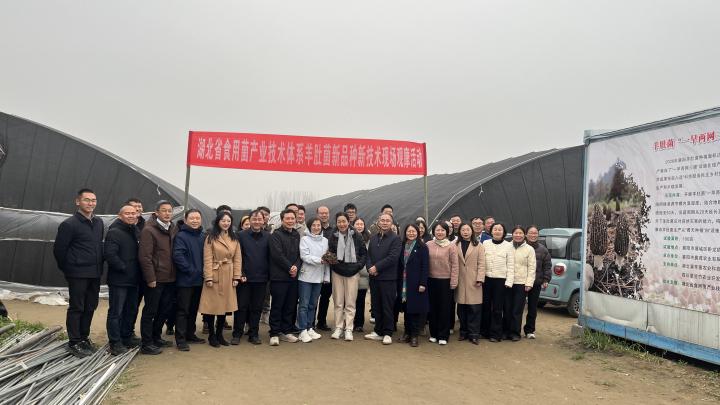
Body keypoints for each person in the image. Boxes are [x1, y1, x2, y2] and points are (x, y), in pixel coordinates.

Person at [54, 189, 104, 358]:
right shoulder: (69, 224)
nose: (91, 203)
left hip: (94, 272)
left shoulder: (98, 223)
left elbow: (98, 246)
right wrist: (69, 269)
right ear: (78, 202)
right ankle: (74, 342)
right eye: (87, 200)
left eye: (93, 200)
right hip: (77, 273)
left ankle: (83, 338)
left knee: (90, 306)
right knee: (77, 307)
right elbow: (59, 250)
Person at [138, 200, 178, 355]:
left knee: (164, 310)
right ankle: (146, 343)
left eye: (170, 211)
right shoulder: (149, 230)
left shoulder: (173, 228)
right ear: (156, 212)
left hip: (170, 278)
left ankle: (156, 337)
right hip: (156, 278)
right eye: (164, 210)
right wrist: (150, 278)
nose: (167, 213)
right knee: (150, 311)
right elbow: (145, 257)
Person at [199, 212, 242, 347]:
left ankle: (219, 335)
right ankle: (211, 335)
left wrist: (236, 276)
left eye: (228, 221)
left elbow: (237, 259)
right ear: (218, 222)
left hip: (229, 275)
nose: (226, 223)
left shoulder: (234, 238)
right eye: (223, 220)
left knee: (224, 306)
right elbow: (207, 259)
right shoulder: (211, 237)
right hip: (215, 274)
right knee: (212, 307)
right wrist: (208, 277)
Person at [104, 204, 142, 356]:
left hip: (134, 279)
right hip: (119, 280)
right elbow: (110, 255)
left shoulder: (135, 230)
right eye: (128, 213)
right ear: (120, 215)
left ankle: (126, 337)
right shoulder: (114, 232)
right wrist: (124, 268)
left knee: (131, 310)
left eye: (134, 213)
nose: (131, 216)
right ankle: (115, 342)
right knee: (116, 312)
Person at [327, 212, 367, 341]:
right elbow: (330, 253)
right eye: (339, 221)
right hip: (337, 272)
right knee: (338, 302)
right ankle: (339, 327)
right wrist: (334, 265)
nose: (342, 224)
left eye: (344, 221)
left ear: (348, 222)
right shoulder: (332, 235)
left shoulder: (357, 235)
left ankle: (349, 328)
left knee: (350, 302)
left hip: (353, 272)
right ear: (336, 223)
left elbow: (364, 254)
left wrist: (358, 266)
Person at [172, 209, 207, 351]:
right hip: (185, 280)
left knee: (193, 309)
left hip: (199, 280)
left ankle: (190, 334)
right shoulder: (181, 236)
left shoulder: (203, 236)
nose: (195, 221)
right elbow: (178, 256)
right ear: (186, 220)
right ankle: (180, 339)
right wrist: (190, 270)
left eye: (197, 218)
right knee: (183, 310)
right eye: (192, 218)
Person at [234, 210, 271, 345]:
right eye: (254, 219)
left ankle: (253, 334)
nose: (257, 222)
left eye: (259, 219)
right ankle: (237, 333)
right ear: (249, 221)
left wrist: (269, 275)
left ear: (263, 221)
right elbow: (237, 257)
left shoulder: (268, 236)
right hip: (244, 279)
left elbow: (270, 257)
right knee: (241, 307)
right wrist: (241, 273)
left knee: (256, 308)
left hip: (261, 278)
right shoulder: (240, 235)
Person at [365, 213, 401, 345]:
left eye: (387, 221)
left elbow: (393, 257)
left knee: (387, 306)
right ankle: (378, 331)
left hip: (388, 279)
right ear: (378, 222)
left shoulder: (395, 239)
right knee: (376, 306)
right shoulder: (374, 238)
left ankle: (387, 333)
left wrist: (376, 268)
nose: (385, 222)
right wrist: (370, 267)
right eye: (382, 220)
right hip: (374, 278)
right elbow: (368, 255)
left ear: (391, 223)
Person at [268, 209, 302, 346]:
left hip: (293, 277)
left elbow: (300, 254)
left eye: (292, 218)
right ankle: (274, 333)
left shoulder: (296, 235)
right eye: (287, 218)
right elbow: (277, 255)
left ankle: (286, 331)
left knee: (290, 305)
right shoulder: (276, 235)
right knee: (277, 305)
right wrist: (290, 267)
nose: (290, 221)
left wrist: (296, 267)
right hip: (279, 277)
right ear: (282, 220)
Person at [426, 222, 459, 345]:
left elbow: (455, 265)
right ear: (433, 231)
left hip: (446, 281)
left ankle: (443, 335)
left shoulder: (451, 246)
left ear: (447, 232)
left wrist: (454, 281)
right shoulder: (428, 244)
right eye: (437, 230)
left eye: (442, 230)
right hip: (431, 280)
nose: (440, 232)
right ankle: (433, 333)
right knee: (432, 308)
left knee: (444, 308)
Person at [297, 217, 329, 343]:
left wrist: (326, 277)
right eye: (314, 225)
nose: (316, 227)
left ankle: (310, 327)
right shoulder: (304, 239)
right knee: (304, 305)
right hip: (306, 277)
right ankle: (302, 330)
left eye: (318, 225)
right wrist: (319, 260)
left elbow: (327, 260)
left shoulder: (325, 241)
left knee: (313, 304)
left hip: (319, 278)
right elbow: (304, 256)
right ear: (310, 227)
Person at [397, 224, 429, 347]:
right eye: (409, 231)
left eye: (413, 231)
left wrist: (422, 283)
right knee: (406, 308)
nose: (411, 233)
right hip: (404, 281)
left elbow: (425, 266)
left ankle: (414, 335)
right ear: (405, 233)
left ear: (418, 233)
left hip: (416, 282)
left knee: (415, 310)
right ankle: (407, 333)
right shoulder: (402, 245)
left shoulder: (422, 247)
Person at [481, 223, 514, 342]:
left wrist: (509, 281)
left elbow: (511, 265)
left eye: (500, 229)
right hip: (486, 279)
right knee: (485, 306)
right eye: (495, 229)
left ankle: (495, 334)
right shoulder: (485, 243)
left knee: (497, 308)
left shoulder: (508, 246)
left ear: (503, 232)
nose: (497, 231)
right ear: (491, 231)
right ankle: (484, 331)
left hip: (501, 281)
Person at [455, 223, 485, 345]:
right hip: (460, 280)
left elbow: (482, 263)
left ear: (472, 231)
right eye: (463, 230)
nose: (465, 232)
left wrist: (480, 278)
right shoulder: (455, 244)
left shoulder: (479, 245)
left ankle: (474, 334)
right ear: (460, 232)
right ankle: (463, 332)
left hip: (474, 280)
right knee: (461, 308)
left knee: (474, 308)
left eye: (468, 230)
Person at [504, 226, 536, 342]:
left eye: (520, 233)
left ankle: (515, 333)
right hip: (507, 281)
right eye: (516, 233)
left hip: (521, 283)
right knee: (506, 308)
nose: (518, 235)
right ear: (512, 234)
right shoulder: (507, 246)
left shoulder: (529, 249)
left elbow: (532, 268)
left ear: (524, 235)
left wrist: (529, 283)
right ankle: (505, 331)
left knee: (517, 309)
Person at [524, 225, 552, 339]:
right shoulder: (521, 247)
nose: (533, 235)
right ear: (526, 234)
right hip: (520, 282)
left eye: (535, 233)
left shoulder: (543, 249)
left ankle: (529, 330)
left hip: (536, 282)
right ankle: (513, 329)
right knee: (517, 307)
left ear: (538, 235)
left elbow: (547, 266)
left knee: (532, 308)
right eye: (531, 233)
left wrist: (546, 279)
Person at [314, 205, 333, 331]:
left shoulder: (333, 230)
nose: (324, 215)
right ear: (317, 214)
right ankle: (310, 321)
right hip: (315, 268)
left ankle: (321, 321)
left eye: (326, 213)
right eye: (321, 213)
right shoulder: (313, 229)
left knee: (325, 297)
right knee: (313, 297)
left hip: (328, 269)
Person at [352, 218, 371, 332]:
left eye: (361, 224)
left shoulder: (369, 240)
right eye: (357, 224)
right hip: (350, 273)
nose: (359, 226)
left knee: (360, 300)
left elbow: (369, 256)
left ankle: (359, 323)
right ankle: (349, 322)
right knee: (350, 300)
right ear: (353, 225)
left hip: (363, 274)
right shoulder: (349, 237)